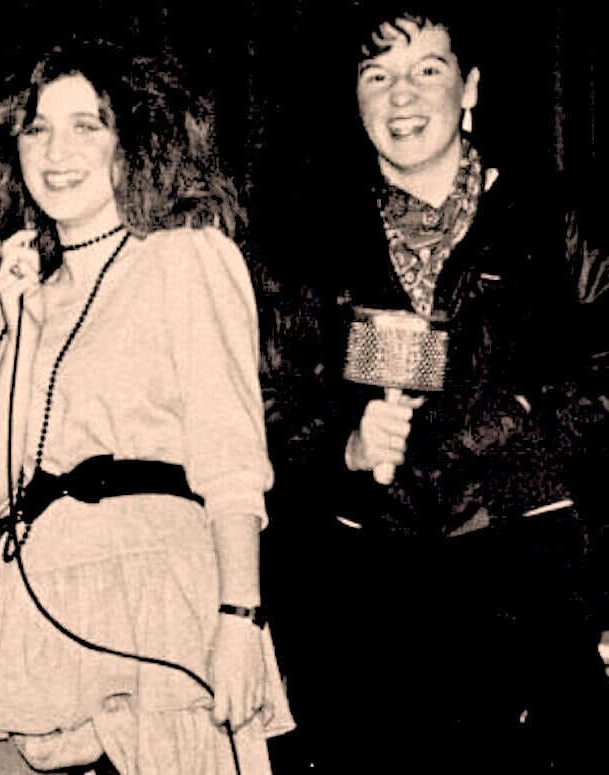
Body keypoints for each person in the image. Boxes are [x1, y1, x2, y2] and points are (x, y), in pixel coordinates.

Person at [0, 37, 294, 775]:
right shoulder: (8, 296)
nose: (57, 150)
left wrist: (240, 616)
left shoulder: (185, 254)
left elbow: (230, 454)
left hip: (158, 590)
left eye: (87, 125)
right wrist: (21, 330)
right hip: (33, 588)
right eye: (38, 127)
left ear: (131, 143)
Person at [258, 3, 609, 773]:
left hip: (526, 577)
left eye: (427, 70)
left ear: (470, 87)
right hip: (366, 598)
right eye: (376, 76)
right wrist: (342, 445)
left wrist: (505, 419)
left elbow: (602, 371)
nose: (401, 97)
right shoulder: (306, 237)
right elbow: (266, 402)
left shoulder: (554, 221)